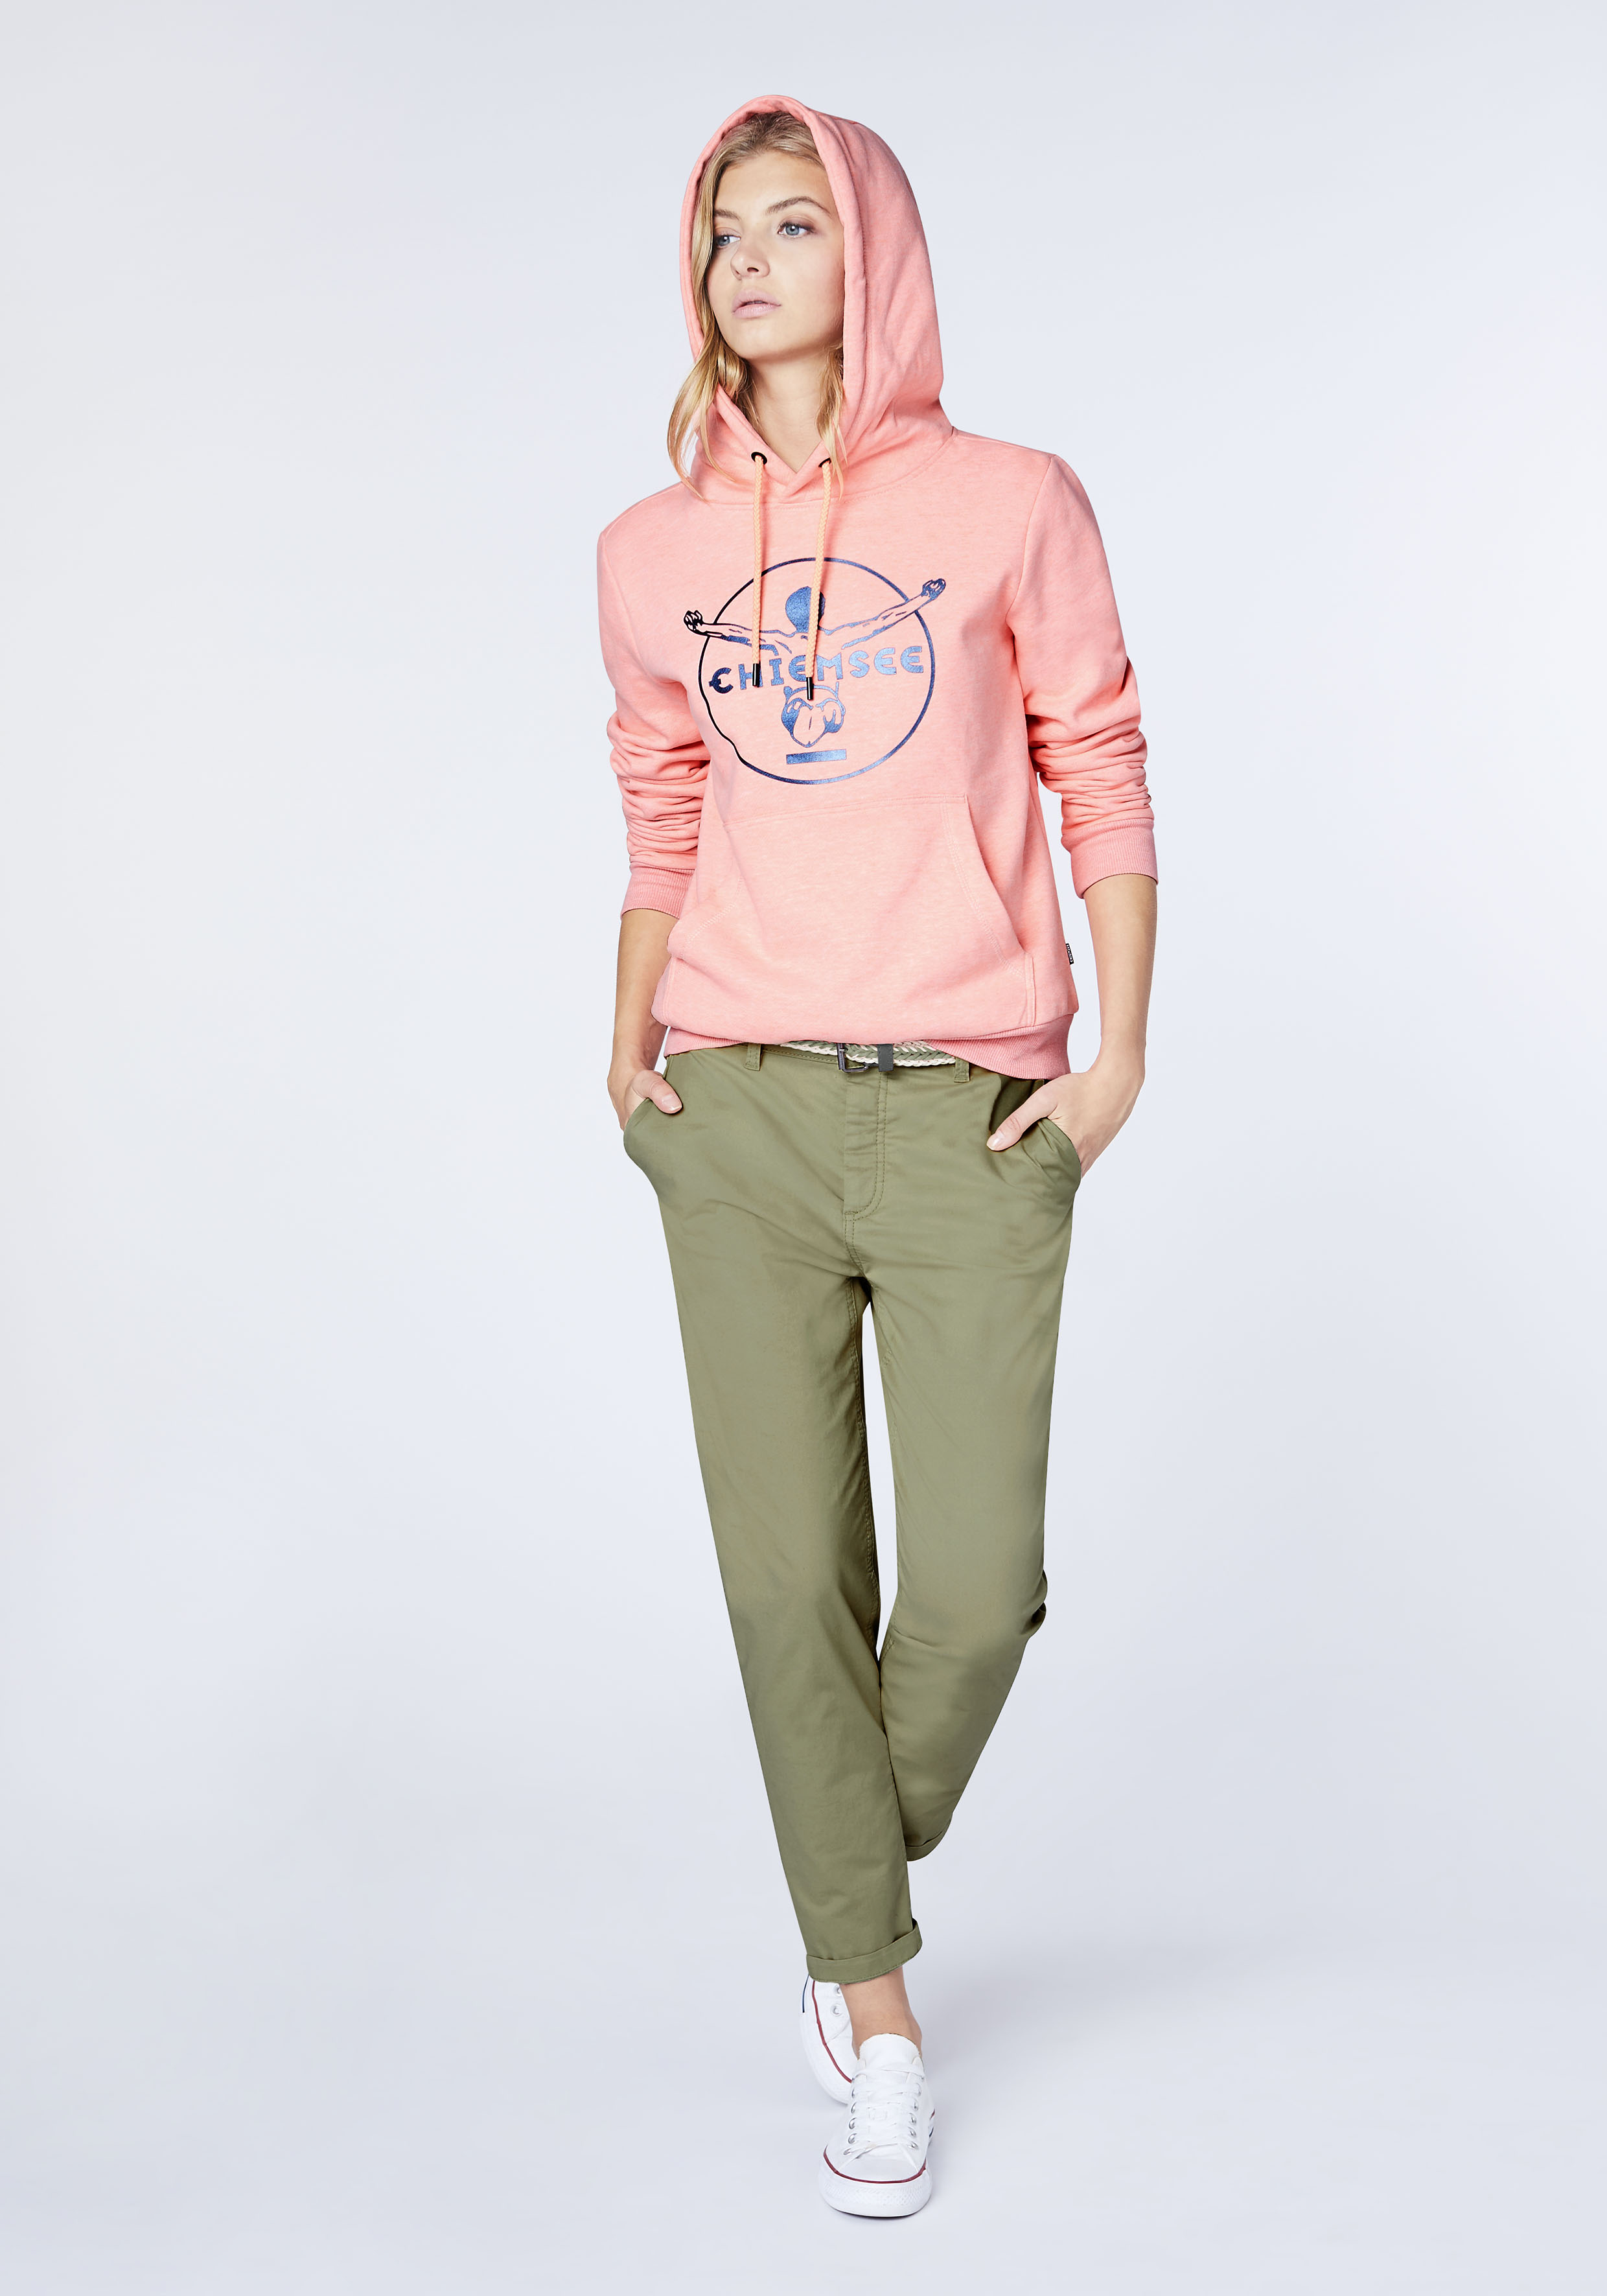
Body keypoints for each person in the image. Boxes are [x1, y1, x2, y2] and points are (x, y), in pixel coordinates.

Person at [598, 96, 1157, 2218]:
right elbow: (661, 798)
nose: (748, 262)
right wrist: (627, 1040)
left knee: (978, 1595)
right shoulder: (649, 552)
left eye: (794, 223)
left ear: (877, 252)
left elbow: (1100, 761)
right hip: (733, 1102)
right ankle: (875, 2008)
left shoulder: (1014, 502)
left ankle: (843, 1850)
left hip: (968, 1106)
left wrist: (1117, 1060)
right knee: (781, 1584)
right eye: (722, 232)